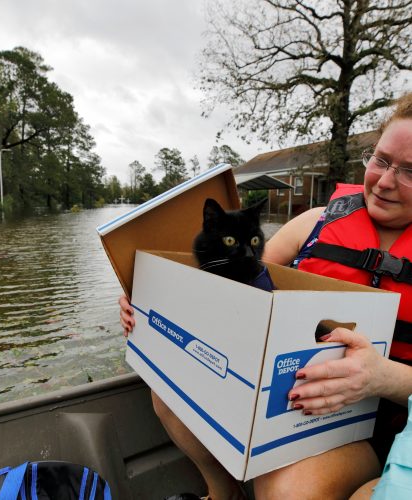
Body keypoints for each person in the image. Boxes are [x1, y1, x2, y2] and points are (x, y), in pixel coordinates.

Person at [119, 91, 412, 500]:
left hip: (383, 428)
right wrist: (148, 305)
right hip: (283, 396)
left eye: (409, 172)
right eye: (380, 160)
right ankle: (222, 493)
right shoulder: (316, 221)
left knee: (286, 487)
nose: (383, 181)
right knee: (169, 388)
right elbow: (228, 284)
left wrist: (382, 377)